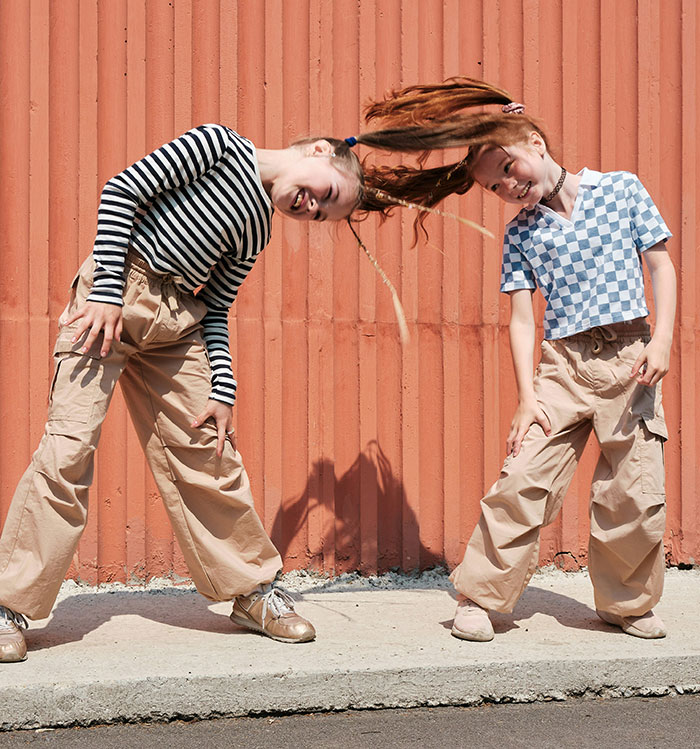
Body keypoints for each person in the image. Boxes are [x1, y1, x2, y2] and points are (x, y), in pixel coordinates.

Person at [0, 123, 385, 662]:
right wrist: (109, 290)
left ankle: (252, 593)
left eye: (321, 215)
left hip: (176, 324)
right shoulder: (220, 145)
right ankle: (9, 606)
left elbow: (219, 306)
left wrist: (223, 387)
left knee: (209, 450)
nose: (311, 208)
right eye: (325, 195)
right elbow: (122, 191)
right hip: (111, 300)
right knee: (68, 450)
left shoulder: (259, 231)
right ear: (318, 152)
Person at [359, 78, 677, 641]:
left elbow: (660, 267)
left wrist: (662, 340)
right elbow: (524, 319)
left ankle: (625, 603)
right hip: (562, 367)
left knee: (635, 490)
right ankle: (480, 595)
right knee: (523, 479)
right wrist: (528, 396)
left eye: (507, 169)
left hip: (631, 359)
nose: (507, 186)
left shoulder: (622, 190)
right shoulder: (521, 234)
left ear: (533, 141)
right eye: (493, 186)